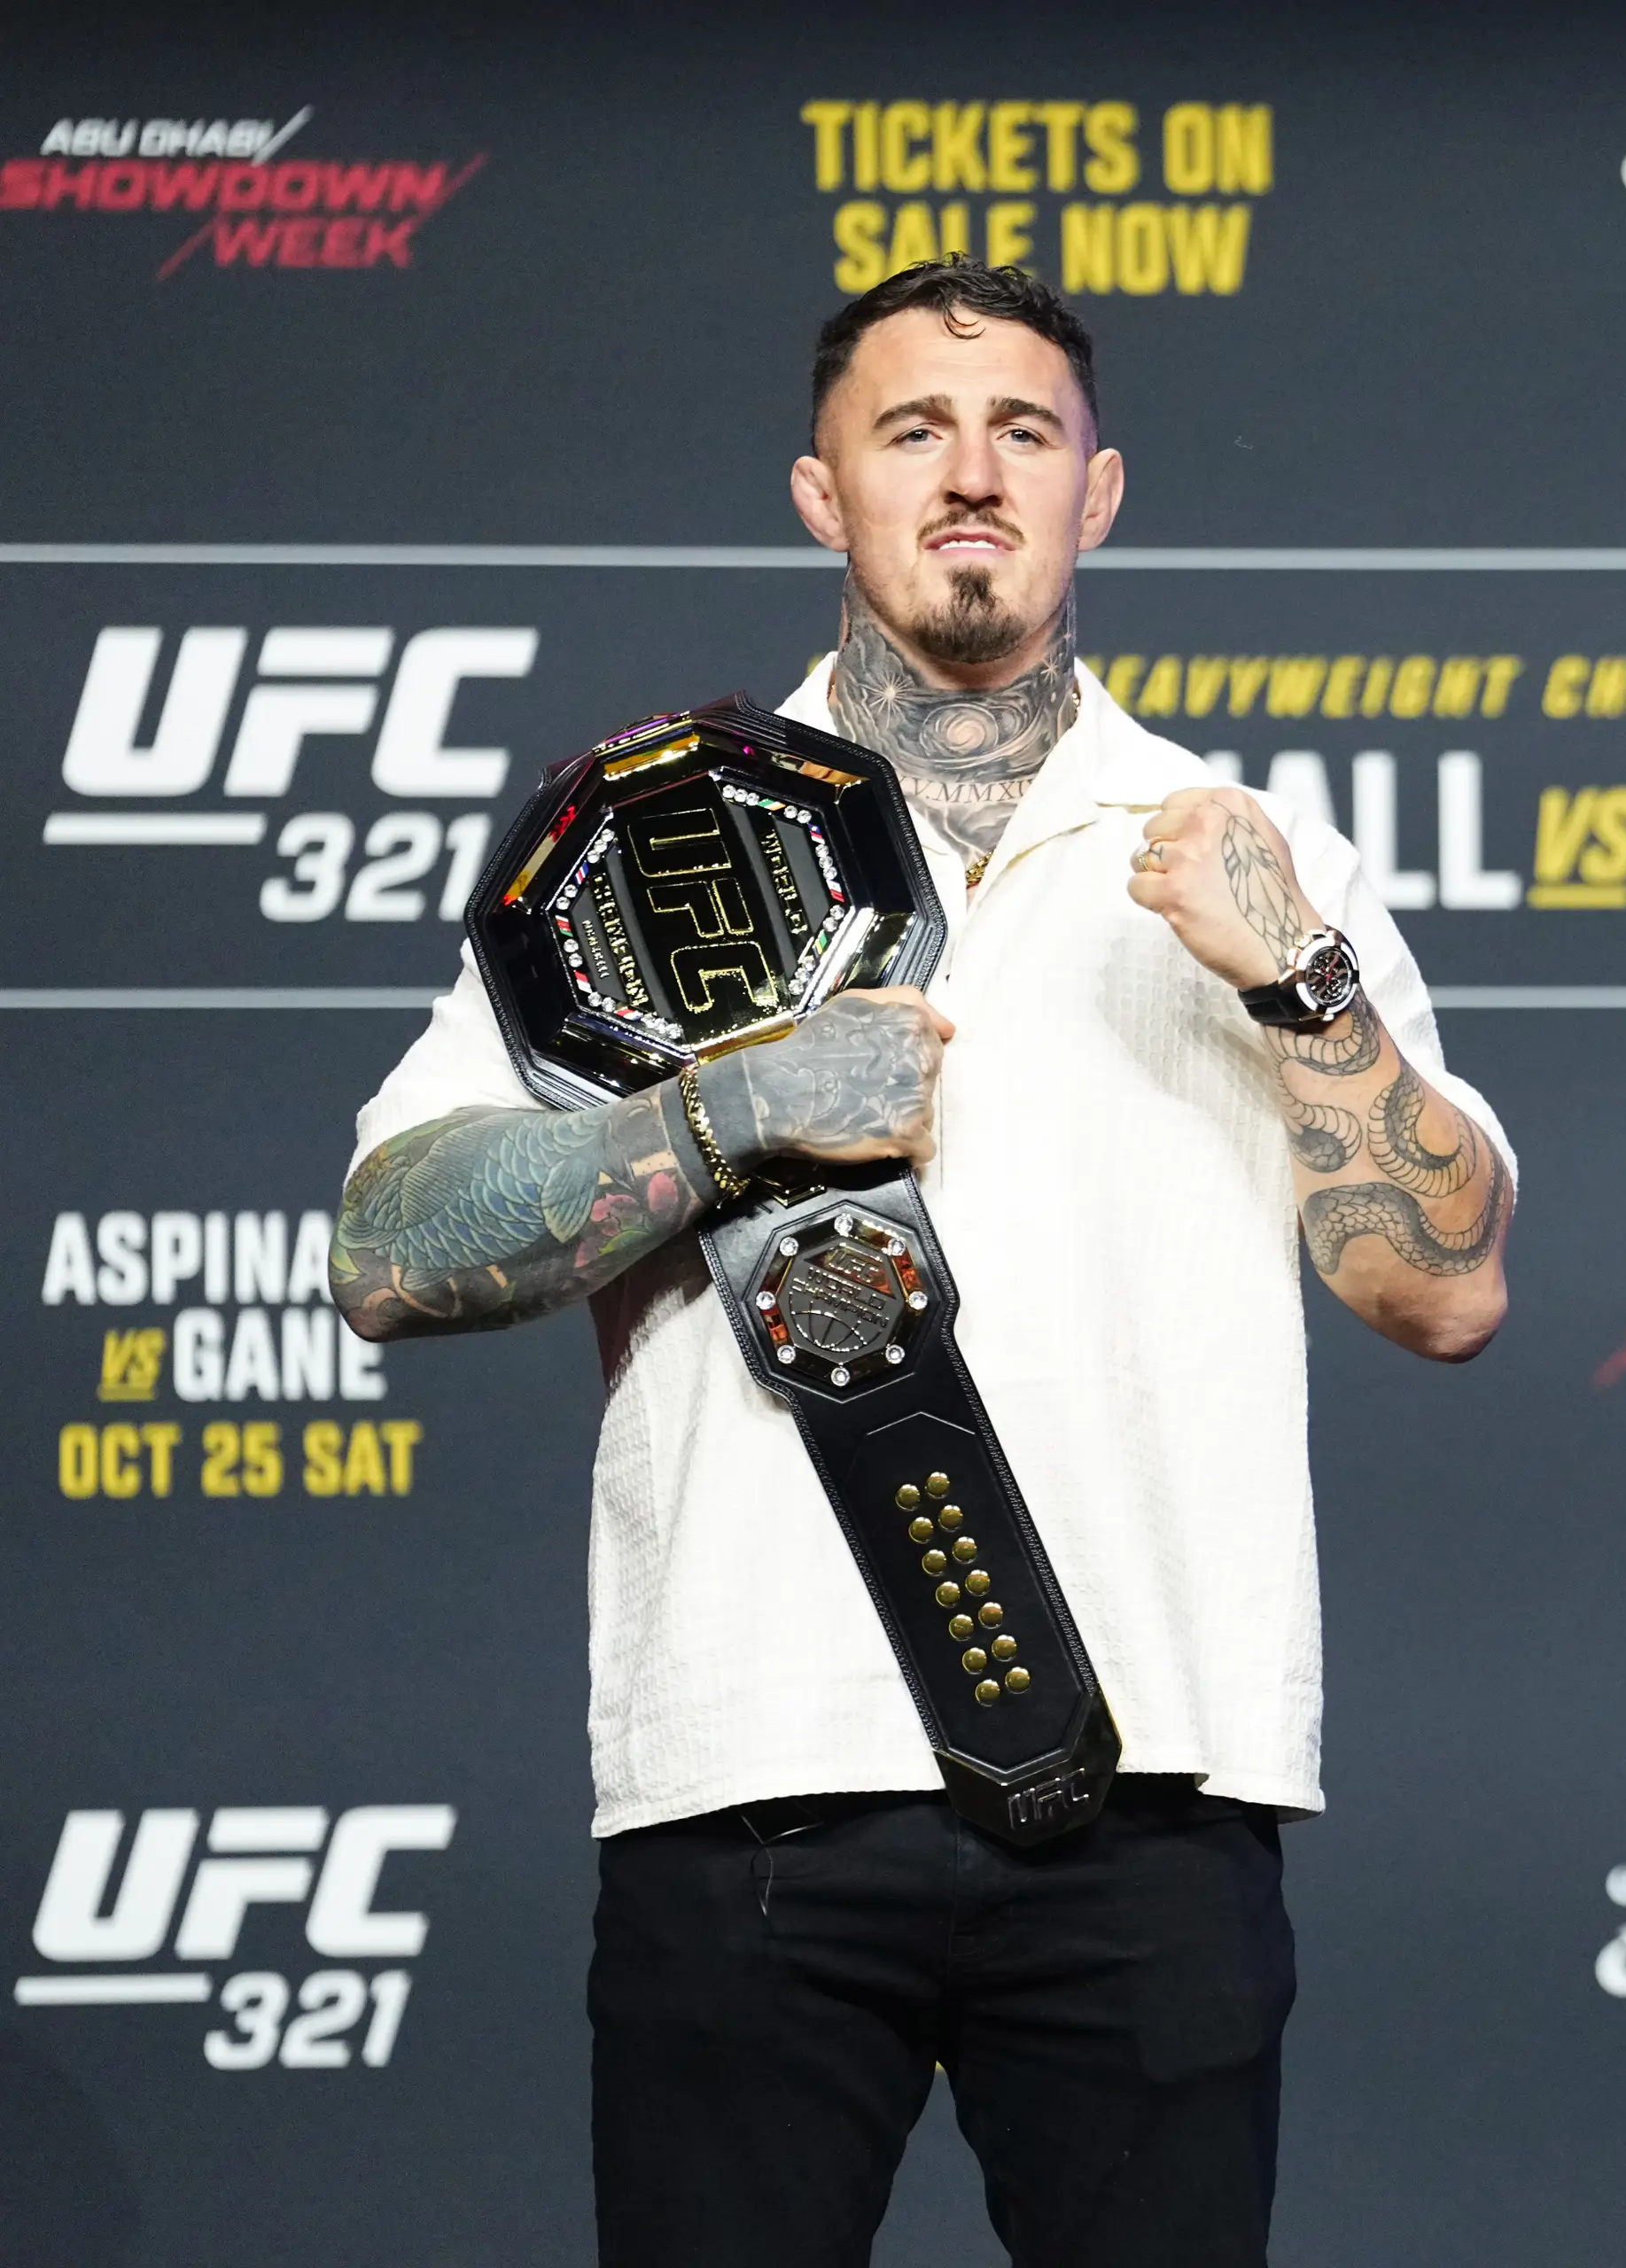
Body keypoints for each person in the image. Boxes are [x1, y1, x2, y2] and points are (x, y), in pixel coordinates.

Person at [331, 259, 1514, 2268]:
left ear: (1097, 491)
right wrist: (725, 1111)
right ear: (824, 491)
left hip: (1157, 1780)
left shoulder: (1256, 855)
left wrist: (1297, 979)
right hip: (751, 1772)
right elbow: (385, 1243)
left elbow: (1449, 1290)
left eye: (1023, 432)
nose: (972, 475)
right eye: (913, 431)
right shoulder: (647, 842)